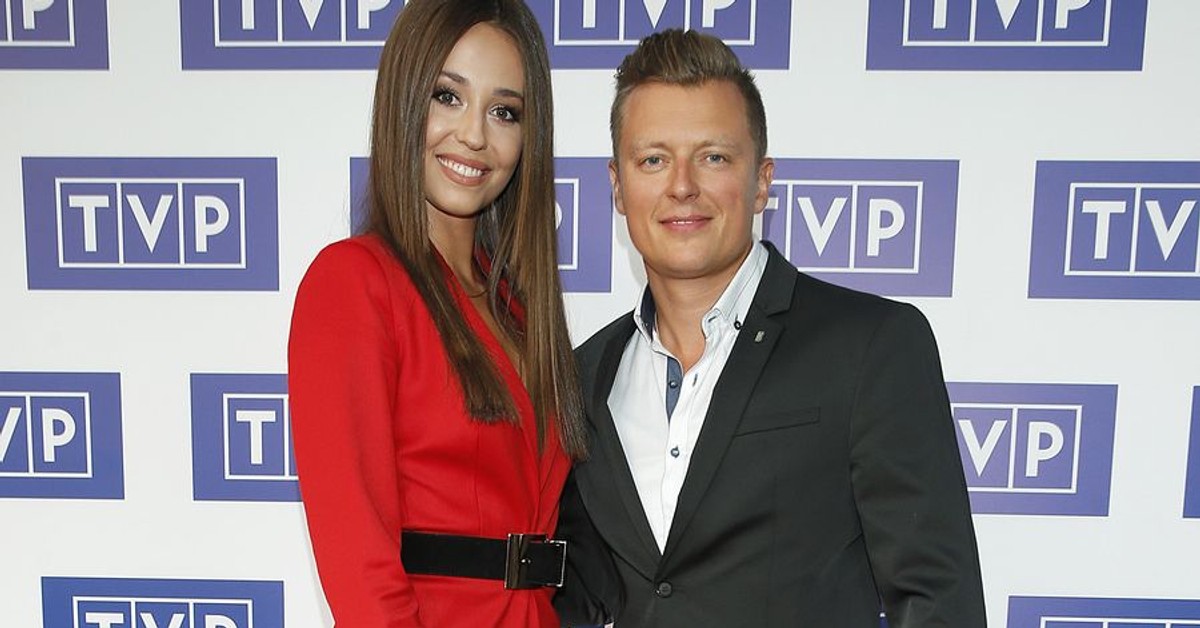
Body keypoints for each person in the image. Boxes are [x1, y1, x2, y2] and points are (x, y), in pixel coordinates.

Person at [555, 29, 987, 627]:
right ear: (617, 186)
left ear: (761, 181)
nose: (681, 185)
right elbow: (578, 591)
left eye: (713, 157)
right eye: (653, 159)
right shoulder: (584, 375)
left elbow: (937, 600)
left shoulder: (870, 346)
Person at [288, 1, 588, 626]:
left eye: (504, 112)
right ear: (403, 100)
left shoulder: (518, 309)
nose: (474, 135)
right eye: (447, 97)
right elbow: (361, 569)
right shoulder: (354, 284)